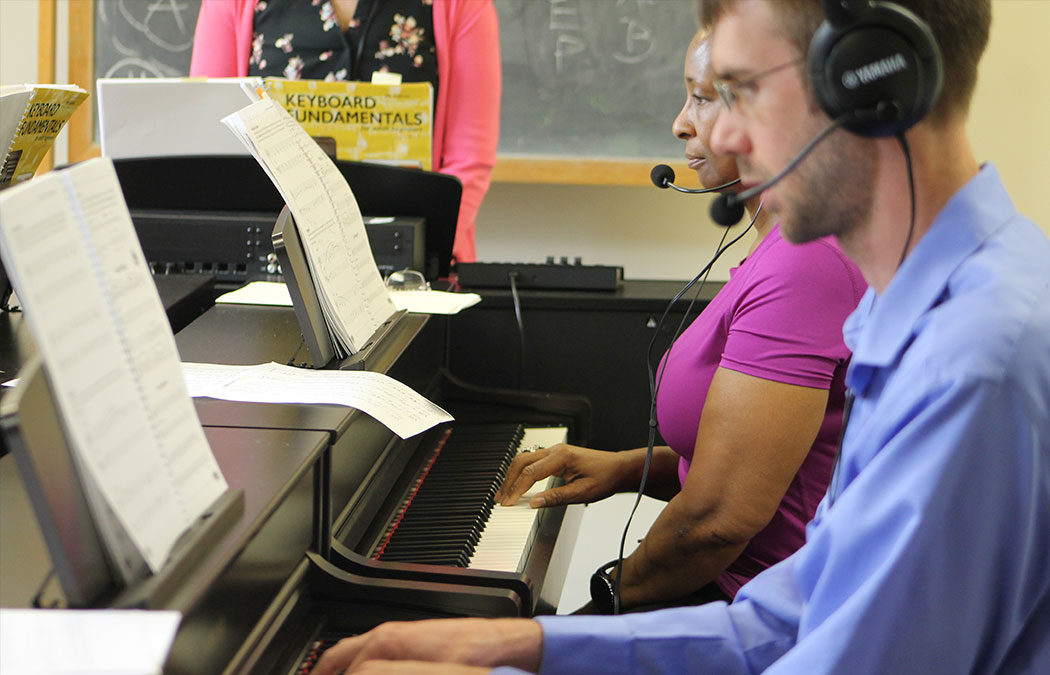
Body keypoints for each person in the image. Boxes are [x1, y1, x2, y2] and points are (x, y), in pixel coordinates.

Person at [311, 0, 1050, 672]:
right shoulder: (925, 309)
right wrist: (528, 644)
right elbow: (784, 620)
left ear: (872, 81)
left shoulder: (975, 363)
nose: (719, 134)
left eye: (743, 90)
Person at [492, 28, 864, 614]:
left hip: (752, 610)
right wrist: (625, 470)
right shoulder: (779, 248)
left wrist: (610, 595)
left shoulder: (806, 264)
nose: (680, 124)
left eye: (702, 97)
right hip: (723, 587)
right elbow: (749, 461)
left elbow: (720, 520)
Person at [189, 0, 501, 263]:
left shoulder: (460, 5)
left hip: (411, 271)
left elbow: (469, 162)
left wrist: (414, 253)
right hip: (263, 263)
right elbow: (209, 143)